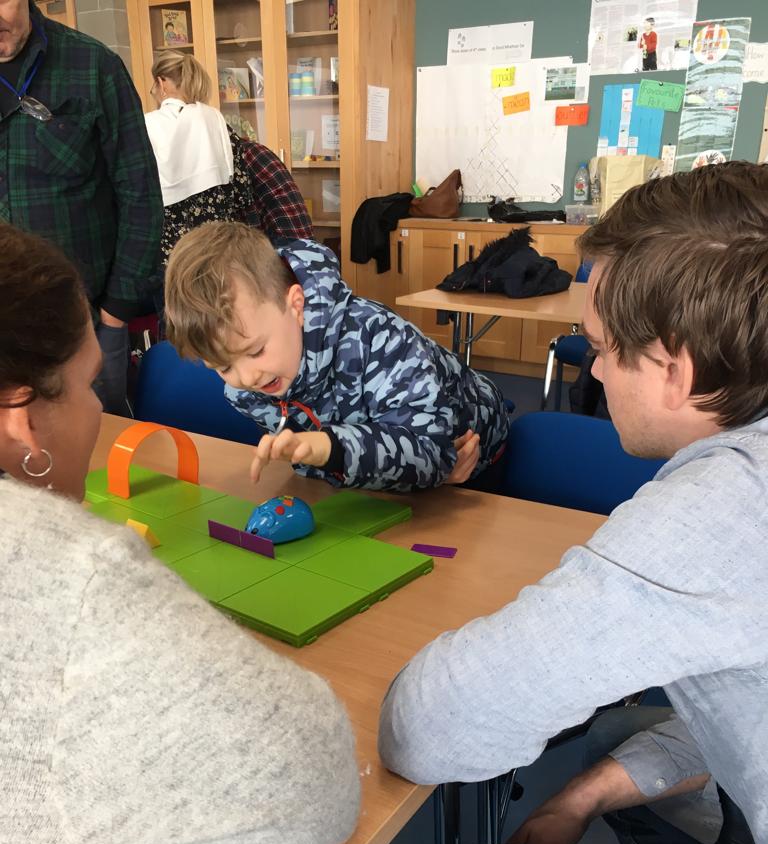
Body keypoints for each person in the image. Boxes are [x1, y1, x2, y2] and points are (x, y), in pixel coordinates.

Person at [378, 161, 768, 844]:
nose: (592, 371)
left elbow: (424, 728)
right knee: (619, 738)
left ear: (676, 367)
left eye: (600, 349)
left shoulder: (710, 513)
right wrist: (583, 793)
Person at [0, 221, 360, 844]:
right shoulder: (67, 574)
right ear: (21, 417)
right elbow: (300, 804)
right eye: (93, 386)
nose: (102, 410)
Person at [163, 221, 509, 491]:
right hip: (405, 483)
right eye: (223, 366)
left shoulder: (378, 339)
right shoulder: (248, 389)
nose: (246, 377)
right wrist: (321, 453)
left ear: (295, 305)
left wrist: (329, 448)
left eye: (256, 351)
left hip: (481, 458)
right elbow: (323, 457)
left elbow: (429, 450)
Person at [0, 0, 163, 416]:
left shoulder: (94, 67)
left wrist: (115, 315)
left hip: (85, 326)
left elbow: (140, 194)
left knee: (100, 460)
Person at [145, 52, 253, 265]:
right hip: (218, 244)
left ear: (162, 82)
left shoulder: (145, 127)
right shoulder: (216, 121)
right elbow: (242, 191)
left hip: (173, 250)